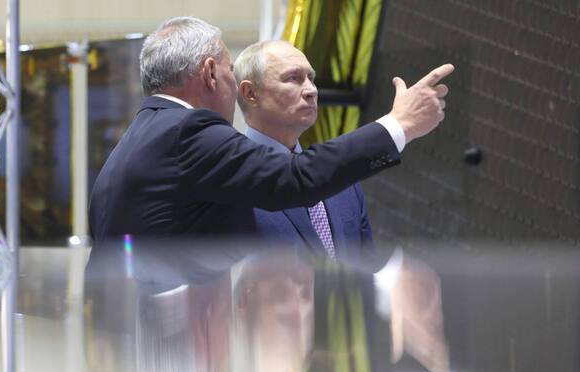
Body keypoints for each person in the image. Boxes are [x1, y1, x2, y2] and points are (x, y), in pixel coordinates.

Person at [88, 16, 452, 243]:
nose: (310, 90)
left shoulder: (139, 138)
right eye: (231, 70)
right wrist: (399, 124)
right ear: (212, 73)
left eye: (311, 79)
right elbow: (296, 178)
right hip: (177, 350)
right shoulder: (189, 131)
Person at [234, 40, 377, 266]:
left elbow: (368, 271)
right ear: (250, 93)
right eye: (293, 78)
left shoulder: (344, 182)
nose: (311, 90)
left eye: (311, 78)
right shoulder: (229, 182)